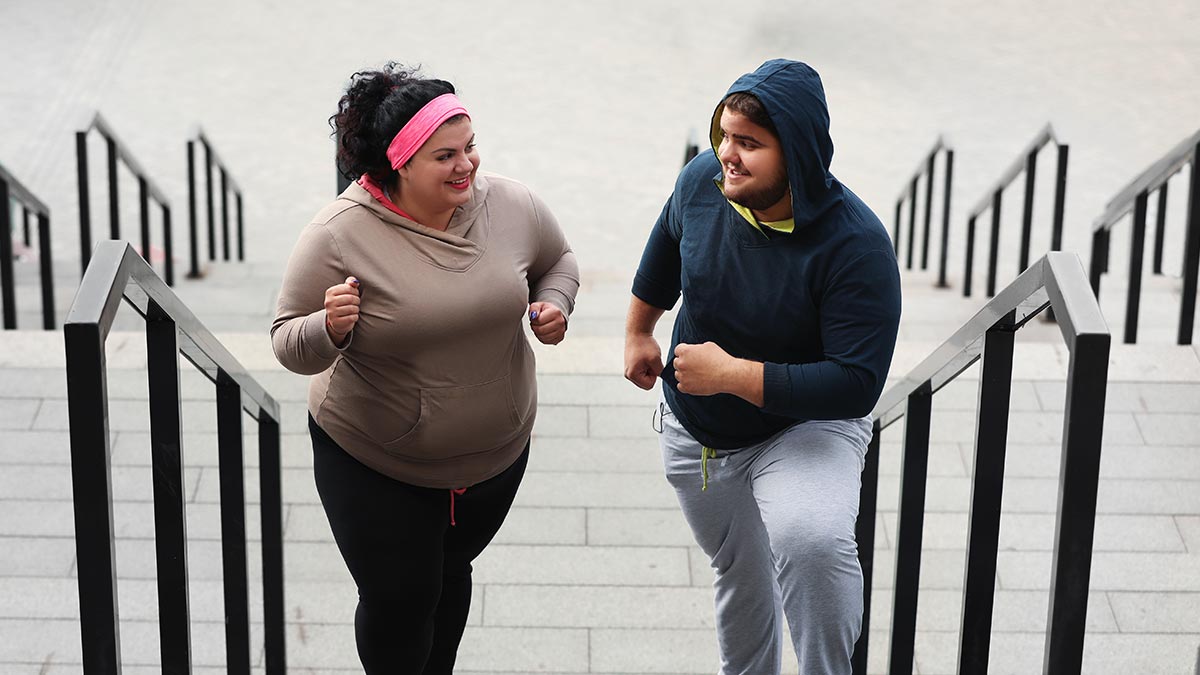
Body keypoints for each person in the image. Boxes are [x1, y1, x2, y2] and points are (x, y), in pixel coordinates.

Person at [272, 62, 579, 674]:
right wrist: (329, 327)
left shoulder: (511, 203)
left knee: (448, 575)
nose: (467, 165)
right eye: (445, 156)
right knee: (399, 598)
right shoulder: (338, 235)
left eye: (470, 148)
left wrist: (555, 304)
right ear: (400, 163)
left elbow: (558, 259)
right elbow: (287, 341)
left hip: (493, 459)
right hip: (376, 463)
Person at [624, 59, 901, 675]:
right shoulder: (703, 180)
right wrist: (639, 330)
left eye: (749, 144)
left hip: (805, 426)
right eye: (724, 136)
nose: (727, 154)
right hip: (697, 431)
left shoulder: (855, 245)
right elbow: (667, 241)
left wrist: (732, 375)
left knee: (810, 541)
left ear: (796, 154)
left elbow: (857, 384)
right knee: (740, 572)